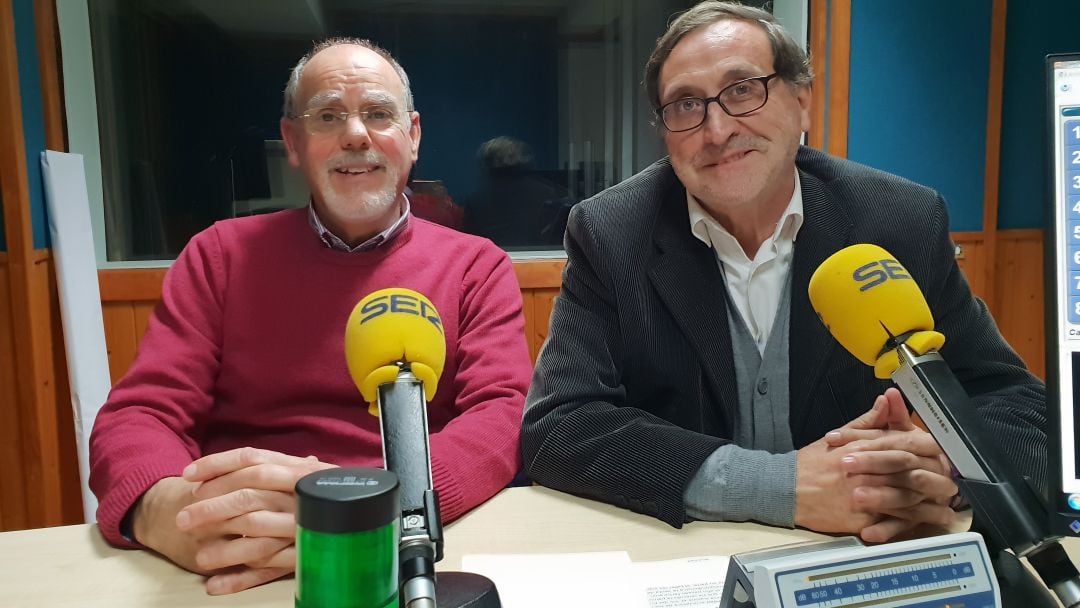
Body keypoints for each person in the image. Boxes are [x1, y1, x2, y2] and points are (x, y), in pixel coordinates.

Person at [521, 1, 1046, 543]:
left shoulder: (898, 219)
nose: (717, 128)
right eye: (685, 105)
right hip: (690, 554)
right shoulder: (611, 233)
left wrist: (942, 467)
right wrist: (782, 486)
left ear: (802, 102)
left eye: (743, 89)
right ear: (666, 133)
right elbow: (558, 426)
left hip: (863, 550)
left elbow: (1012, 399)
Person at [89, 38, 532, 595]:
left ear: (412, 136)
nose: (354, 134)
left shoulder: (475, 267)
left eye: (378, 113)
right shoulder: (219, 256)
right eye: (327, 116)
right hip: (238, 558)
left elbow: (499, 415)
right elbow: (140, 414)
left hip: (402, 547)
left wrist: (364, 509)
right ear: (293, 142)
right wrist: (166, 511)